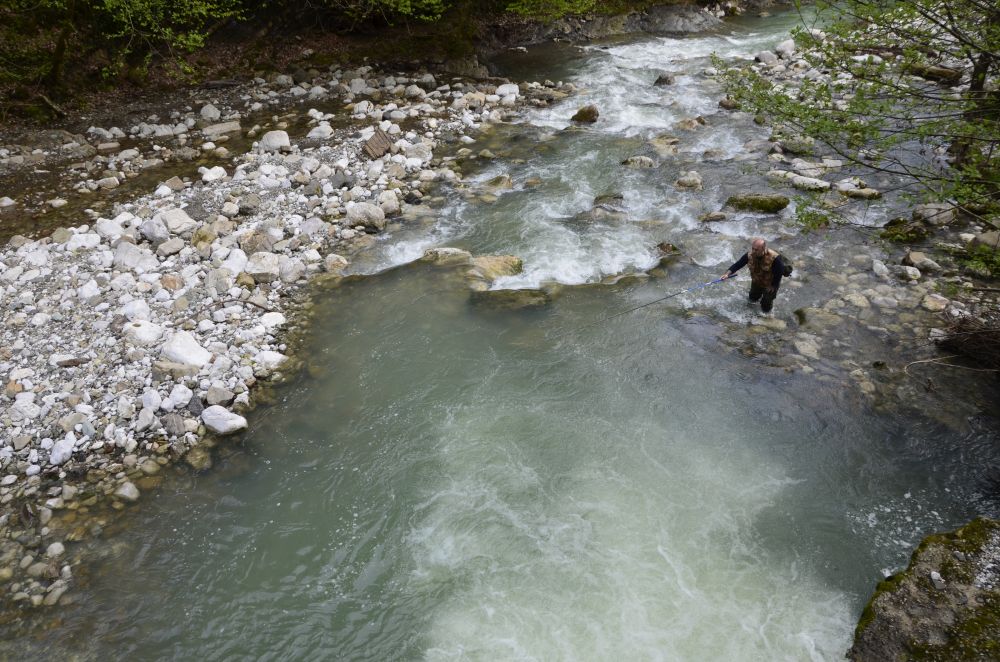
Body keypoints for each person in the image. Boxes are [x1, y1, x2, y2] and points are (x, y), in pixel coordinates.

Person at [721, 238, 785, 313]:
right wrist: (727, 274)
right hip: (757, 280)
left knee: (766, 304)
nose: (754, 251)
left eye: (756, 249)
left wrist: (774, 285)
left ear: (763, 248)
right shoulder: (749, 255)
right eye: (753, 248)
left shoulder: (774, 258)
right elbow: (738, 264)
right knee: (752, 299)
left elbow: (779, 272)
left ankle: (766, 317)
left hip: (770, 283)